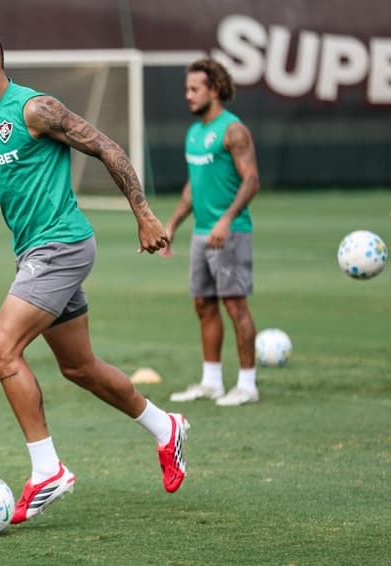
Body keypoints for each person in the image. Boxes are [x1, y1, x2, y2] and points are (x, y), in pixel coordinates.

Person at [0, 25, 190, 524]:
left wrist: (145, 214)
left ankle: (48, 471)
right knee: (79, 367)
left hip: (62, 245)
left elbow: (108, 147)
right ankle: (165, 426)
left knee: (0, 349)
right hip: (32, 252)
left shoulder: (35, 109)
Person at [163, 58, 260, 407]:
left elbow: (251, 180)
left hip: (230, 233)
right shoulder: (194, 133)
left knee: (235, 306)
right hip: (202, 234)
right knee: (203, 305)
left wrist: (226, 220)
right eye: (187, 89)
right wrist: (173, 224)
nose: (188, 95)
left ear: (215, 90)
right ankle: (212, 382)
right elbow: (194, 187)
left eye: (194, 89)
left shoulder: (233, 130)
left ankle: (247, 385)